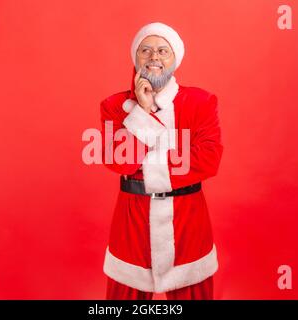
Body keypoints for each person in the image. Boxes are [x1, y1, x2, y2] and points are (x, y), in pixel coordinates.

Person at [100, 22, 224, 300]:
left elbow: (208, 159)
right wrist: (142, 110)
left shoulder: (201, 102)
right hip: (132, 222)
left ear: (174, 60)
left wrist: (146, 165)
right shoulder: (113, 106)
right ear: (136, 58)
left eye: (162, 51)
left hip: (188, 220)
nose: (154, 56)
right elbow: (119, 162)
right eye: (145, 50)